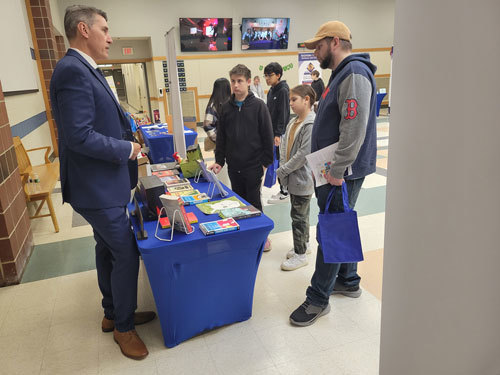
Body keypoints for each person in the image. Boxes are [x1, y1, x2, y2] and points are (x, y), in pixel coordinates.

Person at [50, 5, 155, 360]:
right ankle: (124, 327)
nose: (110, 37)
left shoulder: (85, 70)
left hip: (102, 184)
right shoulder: (72, 71)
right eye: (105, 30)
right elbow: (79, 136)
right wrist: (127, 148)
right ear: (84, 30)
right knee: (126, 252)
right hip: (96, 188)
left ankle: (112, 313)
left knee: (106, 248)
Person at [289, 20, 377, 326]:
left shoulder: (353, 73)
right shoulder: (341, 75)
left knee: (331, 230)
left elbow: (354, 127)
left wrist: (338, 170)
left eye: (319, 46)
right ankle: (348, 280)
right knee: (341, 222)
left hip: (341, 170)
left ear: (335, 42)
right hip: (334, 168)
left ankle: (318, 299)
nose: (315, 52)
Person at [209, 64, 274, 251]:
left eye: (239, 81)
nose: (236, 85)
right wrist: (220, 160)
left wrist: (265, 163)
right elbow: (222, 137)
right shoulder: (226, 108)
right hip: (234, 165)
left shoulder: (259, 106)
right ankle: (244, 234)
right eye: (233, 81)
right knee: (238, 203)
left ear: (248, 82)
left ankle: (261, 237)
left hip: (254, 165)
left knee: (253, 202)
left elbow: (267, 137)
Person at [278, 85, 316, 271]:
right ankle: (305, 244)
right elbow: (285, 145)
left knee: (298, 217)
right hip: (292, 177)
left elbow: (303, 154)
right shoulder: (293, 122)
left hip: (302, 178)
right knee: (301, 214)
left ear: (306, 99)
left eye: (294, 100)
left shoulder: (310, 124)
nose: (291, 103)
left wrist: (284, 169)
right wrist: (283, 167)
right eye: (290, 100)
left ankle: (300, 254)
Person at [264, 62, 291, 204]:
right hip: (271, 131)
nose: (267, 78)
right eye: (265, 76)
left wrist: (278, 134)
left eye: (270, 75)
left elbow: (283, 114)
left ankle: (285, 191)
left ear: (278, 75)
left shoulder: (283, 90)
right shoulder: (271, 90)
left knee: (281, 161)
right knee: (276, 161)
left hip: (279, 134)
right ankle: (282, 189)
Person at [203, 78, 231, 151]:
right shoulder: (213, 105)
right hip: (221, 147)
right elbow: (207, 125)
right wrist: (219, 140)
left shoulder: (231, 102)